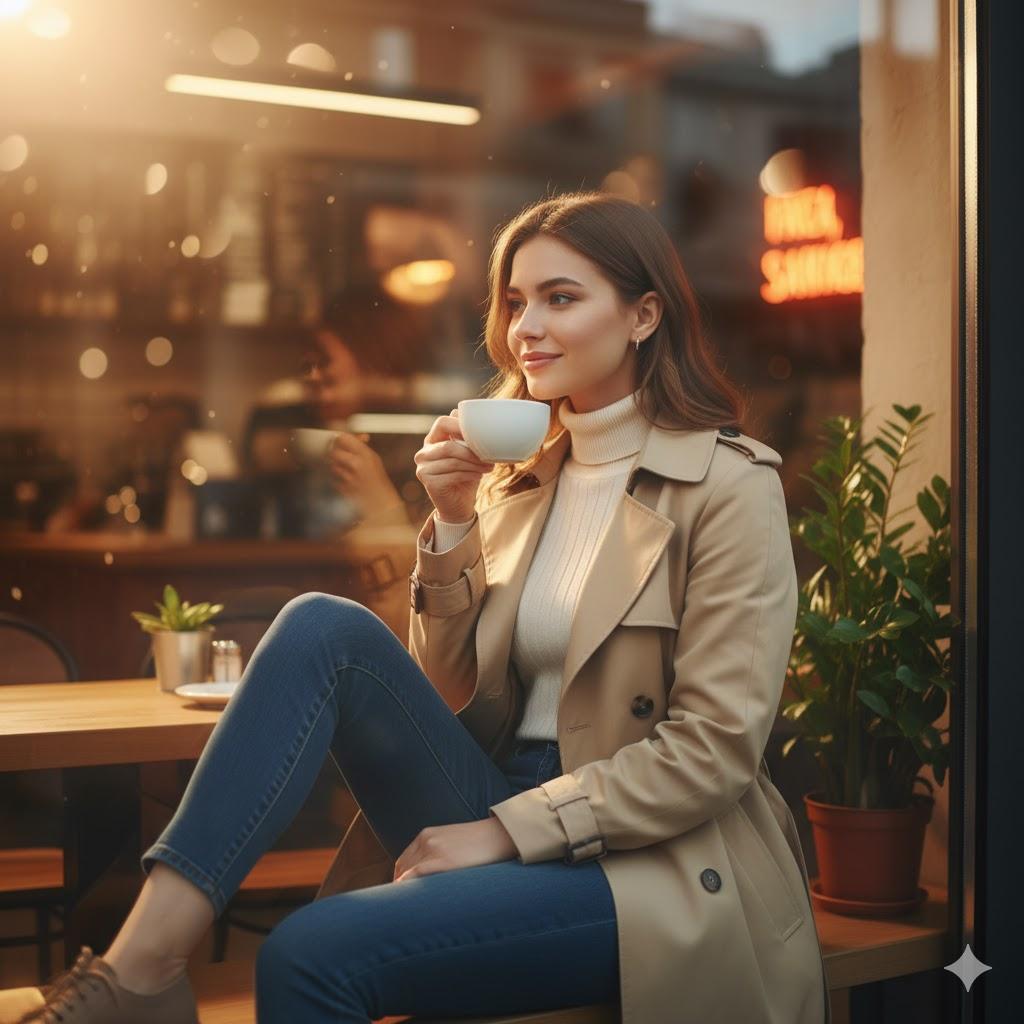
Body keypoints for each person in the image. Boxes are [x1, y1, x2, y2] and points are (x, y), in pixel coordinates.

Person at [0, 192, 829, 1024]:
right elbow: (442, 690)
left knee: (306, 951)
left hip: (652, 861)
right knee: (322, 625)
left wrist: (507, 830)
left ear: (644, 315)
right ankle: (142, 969)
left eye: (560, 298)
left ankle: (140, 982)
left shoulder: (728, 485)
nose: (525, 328)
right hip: (499, 791)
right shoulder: (519, 481)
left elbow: (713, 751)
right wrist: (456, 522)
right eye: (515, 302)